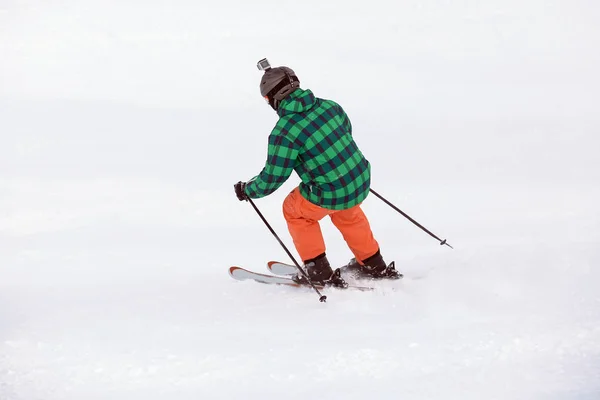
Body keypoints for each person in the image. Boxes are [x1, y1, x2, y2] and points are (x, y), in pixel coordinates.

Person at [234, 59, 399, 286]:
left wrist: (249, 190)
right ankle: (373, 262)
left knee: (295, 209)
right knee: (347, 211)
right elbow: (345, 133)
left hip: (333, 188)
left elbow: (274, 176)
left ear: (274, 97)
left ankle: (318, 270)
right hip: (358, 179)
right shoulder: (329, 106)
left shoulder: (285, 131)